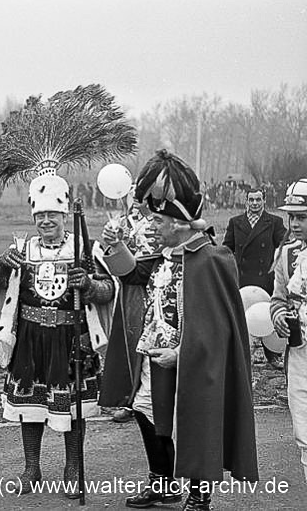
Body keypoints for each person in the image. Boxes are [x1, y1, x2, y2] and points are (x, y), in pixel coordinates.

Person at [101, 150, 258, 510]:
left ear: (178, 222)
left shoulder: (213, 260)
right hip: (154, 356)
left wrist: (182, 354)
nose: (151, 226)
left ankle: (200, 496)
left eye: (158, 220)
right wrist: (114, 244)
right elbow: (134, 276)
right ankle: (162, 484)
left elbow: (219, 332)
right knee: (146, 413)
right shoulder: (165, 255)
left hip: (191, 362)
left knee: (196, 420)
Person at [0, 168, 114, 498]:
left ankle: (72, 468)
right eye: (40, 216)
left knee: (73, 408)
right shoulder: (22, 249)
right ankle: (32, 468)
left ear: (65, 213)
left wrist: (91, 285)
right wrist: (0, 262)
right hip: (30, 340)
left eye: (52, 214)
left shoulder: (86, 248)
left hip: (72, 341)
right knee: (30, 406)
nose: (46, 221)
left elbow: (110, 288)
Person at [98, 197, 157, 425]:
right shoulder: (124, 222)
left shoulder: (164, 226)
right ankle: (129, 400)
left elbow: (143, 268)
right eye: (134, 194)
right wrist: (115, 245)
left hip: (153, 294)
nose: (136, 199)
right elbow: (128, 270)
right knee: (129, 347)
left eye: (140, 195)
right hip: (129, 294)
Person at [223, 187, 287, 367]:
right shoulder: (235, 222)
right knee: (241, 319)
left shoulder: (274, 222)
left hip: (265, 280)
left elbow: (284, 245)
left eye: (258, 200)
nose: (255, 203)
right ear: (246, 201)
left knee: (267, 317)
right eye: (251, 200)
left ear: (264, 201)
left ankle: (273, 354)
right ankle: (243, 356)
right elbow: (227, 249)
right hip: (242, 280)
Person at [270, 177, 307, 483]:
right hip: (299, 353)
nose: (295, 224)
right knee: (304, 434)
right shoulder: (285, 254)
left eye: (302, 217)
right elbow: (278, 297)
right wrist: (280, 314)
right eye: (292, 217)